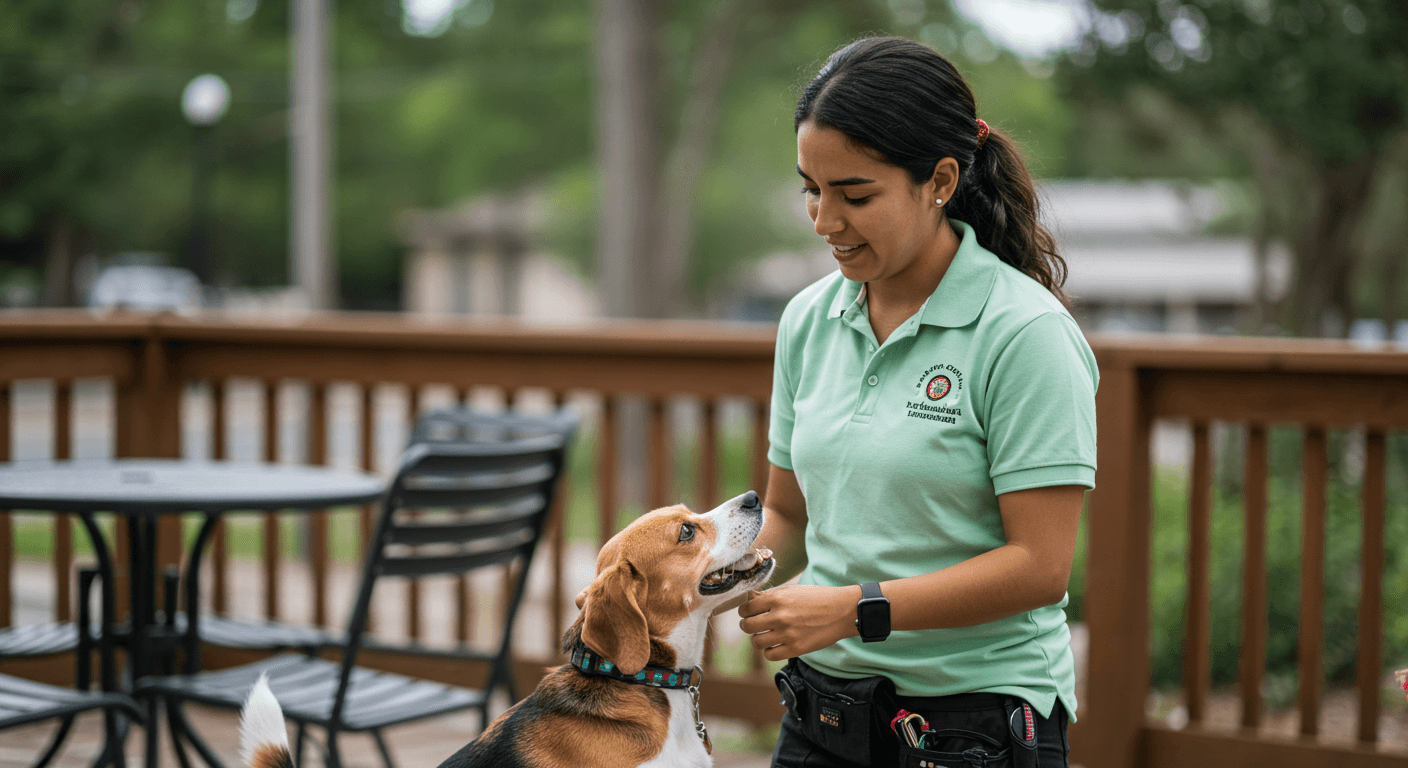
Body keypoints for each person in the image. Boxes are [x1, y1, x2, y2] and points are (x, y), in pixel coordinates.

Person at [733, 36, 1097, 768]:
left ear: (939, 180)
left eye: (855, 195)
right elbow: (791, 517)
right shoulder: (808, 319)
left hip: (976, 728)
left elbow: (1038, 567)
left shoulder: (1024, 334)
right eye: (811, 187)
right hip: (822, 713)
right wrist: (693, 578)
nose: (823, 221)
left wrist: (850, 609)